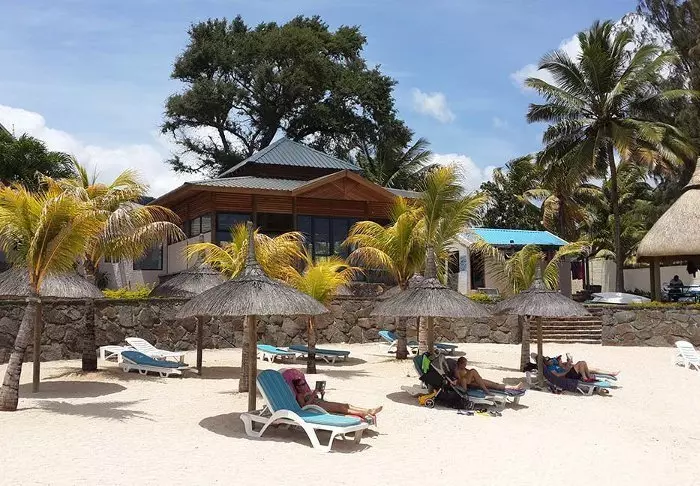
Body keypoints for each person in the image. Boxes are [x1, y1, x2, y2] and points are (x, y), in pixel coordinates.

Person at [292, 378, 382, 417]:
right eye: (302, 384)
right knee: (340, 408)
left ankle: (368, 410)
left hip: (322, 403)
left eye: (304, 383)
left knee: (346, 405)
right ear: (297, 387)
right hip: (317, 407)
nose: (304, 385)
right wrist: (313, 395)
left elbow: (319, 399)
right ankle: (363, 413)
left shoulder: (308, 392)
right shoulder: (300, 395)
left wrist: (322, 394)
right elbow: (304, 407)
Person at [451, 356, 525, 395]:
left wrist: (476, 378)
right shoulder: (457, 370)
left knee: (495, 385)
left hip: (475, 381)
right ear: (460, 363)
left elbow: (468, 375)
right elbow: (460, 381)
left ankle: (514, 387)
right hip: (471, 384)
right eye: (464, 364)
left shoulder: (464, 369)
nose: (465, 365)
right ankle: (486, 390)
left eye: (466, 364)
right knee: (473, 370)